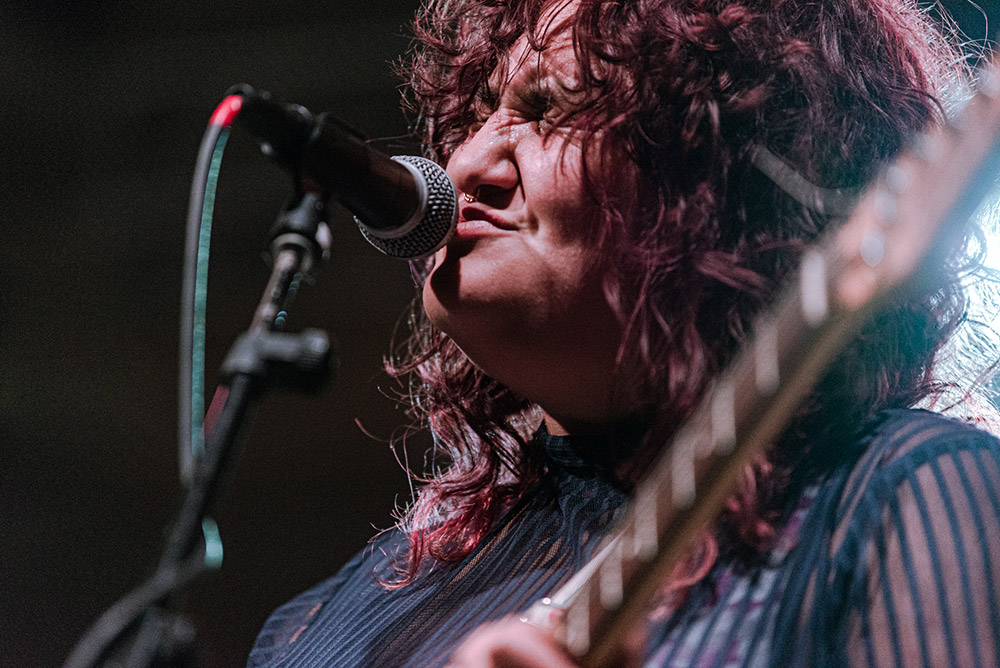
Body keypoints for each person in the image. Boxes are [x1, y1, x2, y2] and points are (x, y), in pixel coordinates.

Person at [247, 0, 1000, 666]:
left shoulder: (905, 493)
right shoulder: (319, 623)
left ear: (725, 182)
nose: (468, 162)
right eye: (477, 117)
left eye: (549, 111)